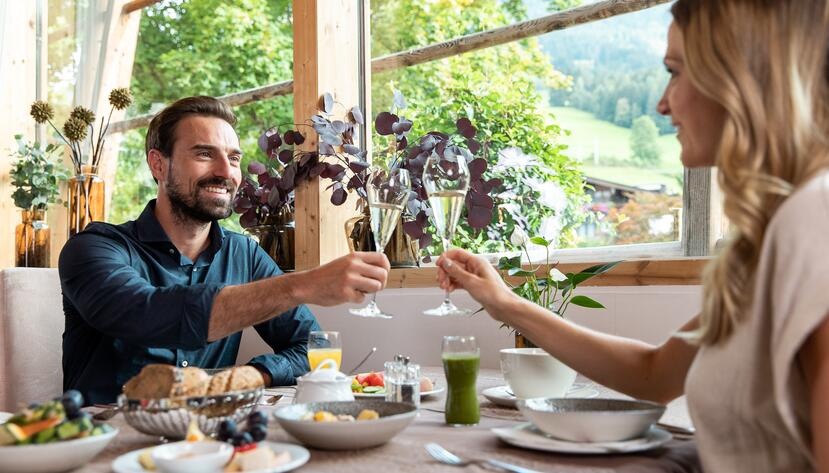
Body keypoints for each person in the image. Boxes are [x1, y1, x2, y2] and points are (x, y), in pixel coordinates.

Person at [437, 1, 829, 471]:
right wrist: (504, 302)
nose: (663, 102)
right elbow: (656, 373)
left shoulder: (813, 219)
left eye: (675, 72)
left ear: (744, 78)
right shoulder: (761, 244)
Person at [59, 96, 390, 405]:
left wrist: (250, 375)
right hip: (105, 444)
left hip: (207, 443)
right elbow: (145, 315)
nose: (225, 172)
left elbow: (312, 347)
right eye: (204, 154)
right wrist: (302, 285)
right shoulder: (93, 248)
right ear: (158, 165)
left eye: (233, 158)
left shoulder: (244, 254)